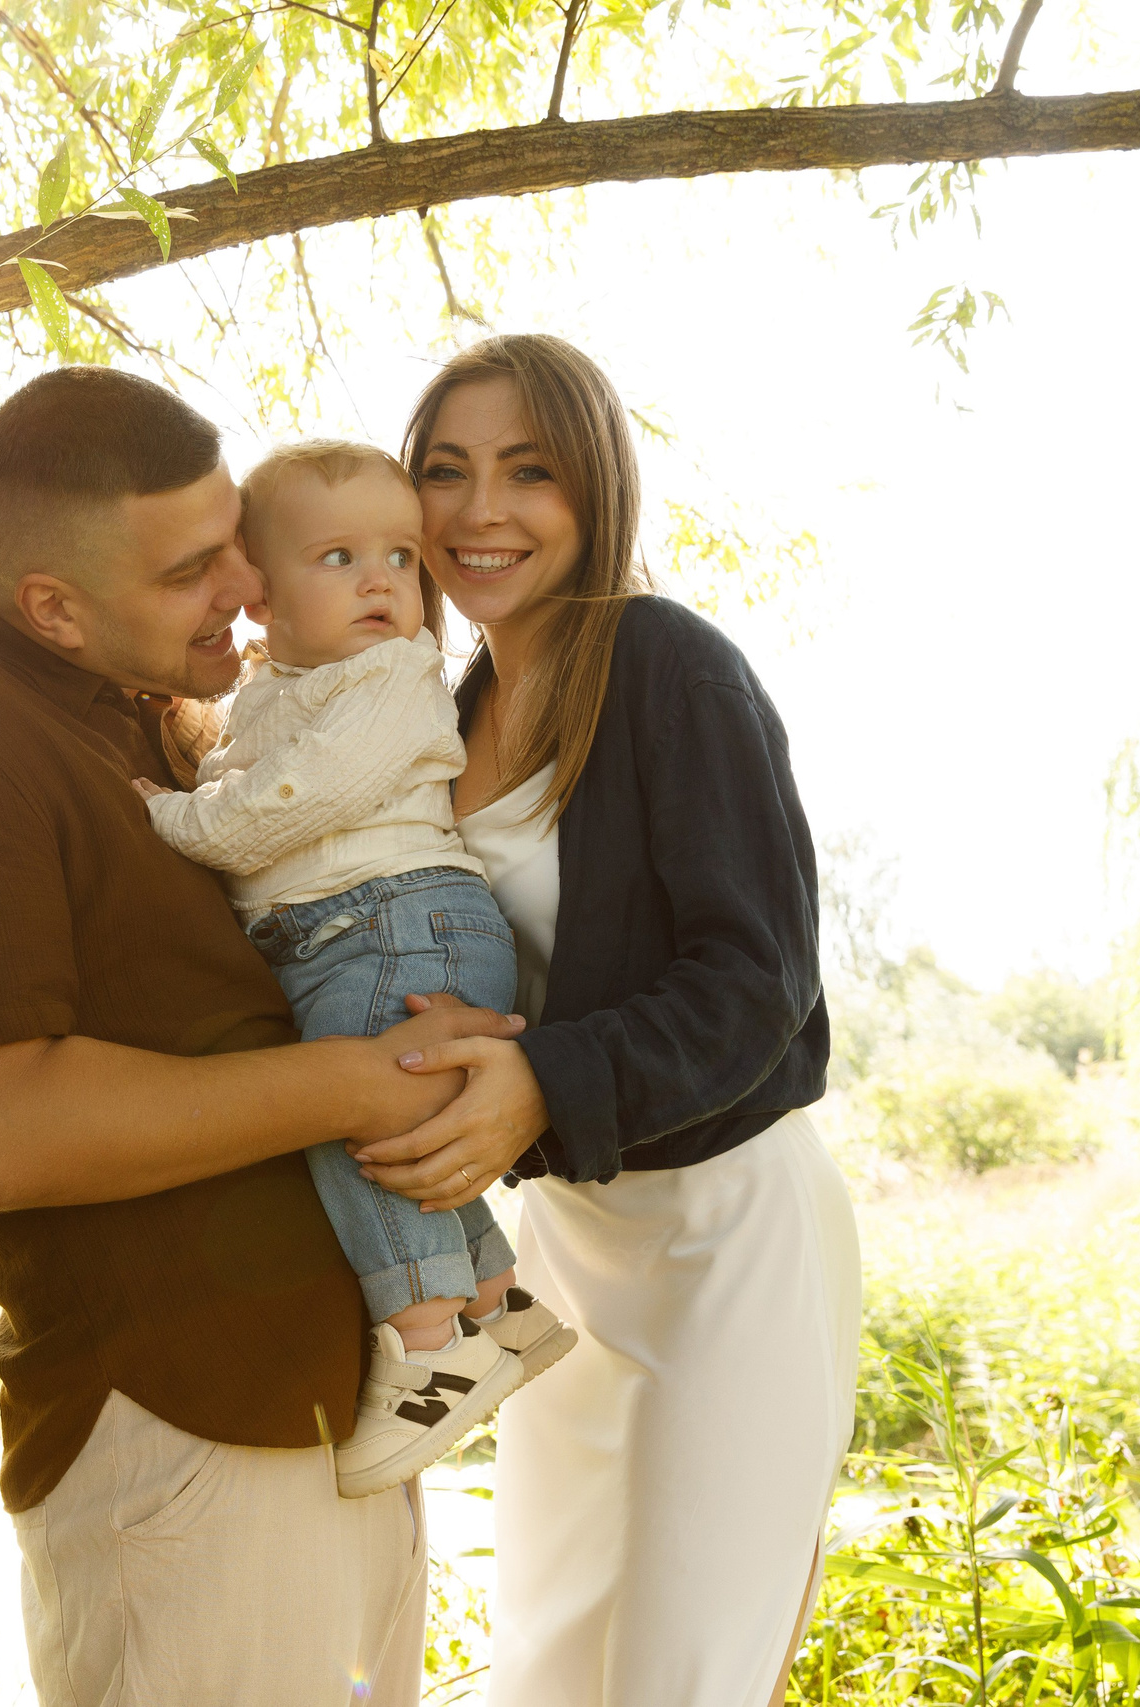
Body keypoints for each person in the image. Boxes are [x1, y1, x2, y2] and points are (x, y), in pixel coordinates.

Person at [0, 367, 524, 1707]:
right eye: (195, 567)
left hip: (333, 1411)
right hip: (177, 1430)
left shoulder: (182, 733)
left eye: (238, 540)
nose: (247, 584)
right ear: (55, 606)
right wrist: (350, 1082)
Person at [352, 334, 862, 1707]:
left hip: (724, 1239)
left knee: (679, 1675)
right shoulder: (441, 714)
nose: (480, 512)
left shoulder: (670, 667)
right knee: (551, 1662)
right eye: (444, 472)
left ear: (597, 489)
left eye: (531, 471)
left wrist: (538, 1075)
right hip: (572, 1249)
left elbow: (757, 980)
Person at [135, 439, 577, 1497]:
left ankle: (430, 1352)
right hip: (368, 925)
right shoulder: (282, 686)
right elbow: (253, 758)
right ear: (259, 594)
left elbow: (275, 812)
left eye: (397, 556)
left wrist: (159, 812)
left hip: (394, 920)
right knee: (404, 1121)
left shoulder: (390, 677)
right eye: (337, 557)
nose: (381, 579)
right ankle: (500, 1304)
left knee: (354, 1115)